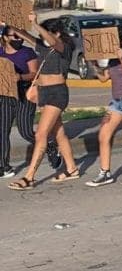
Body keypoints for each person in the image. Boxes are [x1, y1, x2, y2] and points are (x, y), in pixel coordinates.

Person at [8, 14, 78, 190]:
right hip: (44, 93)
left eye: (45, 33)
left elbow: (53, 41)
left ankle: (29, 177)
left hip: (57, 94)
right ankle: (72, 169)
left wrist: (36, 23)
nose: (41, 37)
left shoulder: (64, 47)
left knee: (41, 134)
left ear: (57, 33)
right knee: (59, 133)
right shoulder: (43, 46)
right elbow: (25, 35)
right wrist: (8, 23)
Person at [85, 27, 122, 187]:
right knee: (103, 135)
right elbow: (104, 78)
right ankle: (105, 172)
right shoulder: (112, 58)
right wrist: (94, 64)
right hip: (116, 102)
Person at [0, 25, 59, 178]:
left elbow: (34, 74)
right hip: (6, 95)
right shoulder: (1, 52)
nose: (19, 39)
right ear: (5, 37)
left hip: (24, 94)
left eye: (20, 36)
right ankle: (4, 166)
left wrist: (20, 77)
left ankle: (49, 145)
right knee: (2, 131)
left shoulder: (27, 52)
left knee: (25, 131)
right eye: (15, 36)